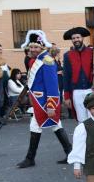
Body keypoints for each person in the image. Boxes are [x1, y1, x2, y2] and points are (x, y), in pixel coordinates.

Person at [16, 30, 73, 169]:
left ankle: (30, 158)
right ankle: (70, 153)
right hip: (37, 100)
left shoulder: (46, 61)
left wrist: (51, 105)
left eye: (36, 47)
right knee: (55, 125)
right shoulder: (36, 60)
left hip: (44, 102)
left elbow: (52, 86)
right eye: (31, 47)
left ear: (42, 47)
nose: (33, 49)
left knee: (38, 125)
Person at [62, 27, 94, 123]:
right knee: (81, 120)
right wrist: (67, 96)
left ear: (82, 38)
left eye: (78, 37)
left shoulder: (93, 52)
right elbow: (66, 77)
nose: (76, 40)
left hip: (91, 90)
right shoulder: (67, 55)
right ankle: (83, 138)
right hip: (76, 92)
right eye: (73, 38)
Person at [0, 43, 10, 119]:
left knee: (5, 96)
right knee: (0, 97)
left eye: (1, 49)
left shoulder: (2, 58)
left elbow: (6, 69)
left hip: (6, 79)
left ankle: (3, 113)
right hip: (0, 78)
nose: (1, 51)